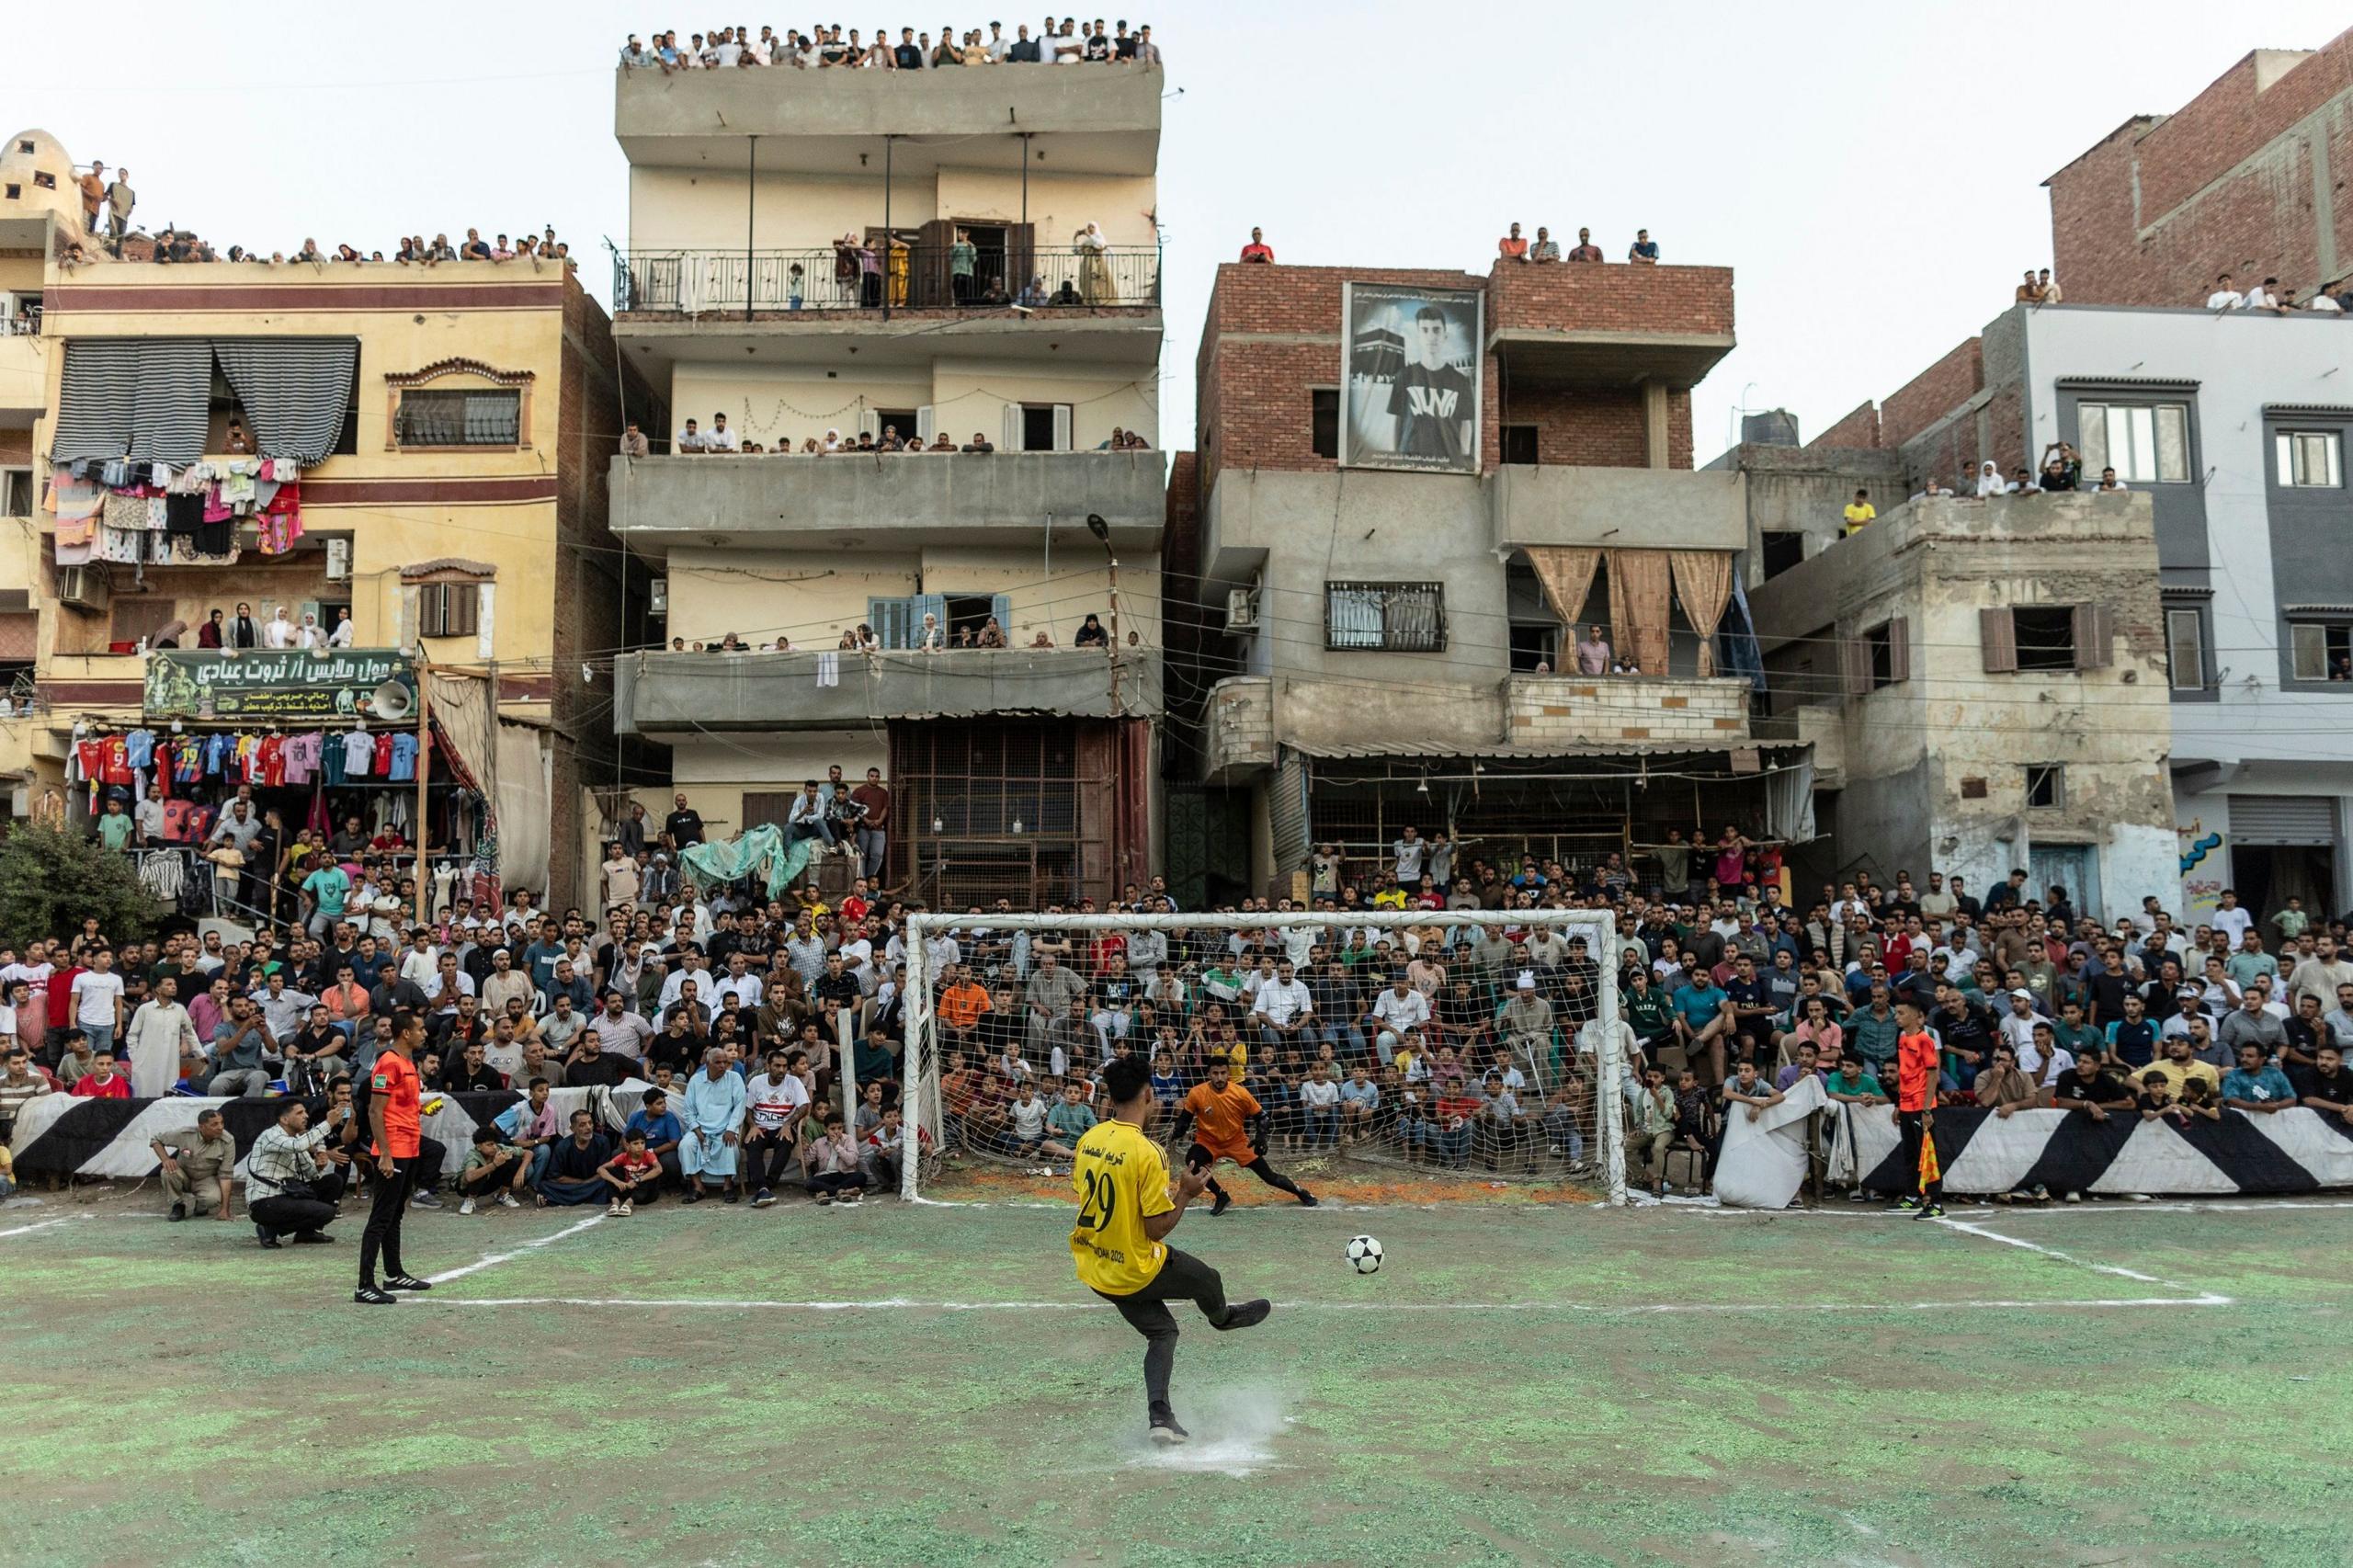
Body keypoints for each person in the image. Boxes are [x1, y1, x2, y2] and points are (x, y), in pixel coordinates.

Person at [1071, 1053, 1273, 1446]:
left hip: (1095, 1267)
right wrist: (1186, 1192)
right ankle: (1222, 1318)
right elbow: (1156, 1229)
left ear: (1111, 1097)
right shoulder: (1148, 1152)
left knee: (1163, 1332)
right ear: (1149, 1095)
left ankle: (1161, 1419)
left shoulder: (1088, 1140)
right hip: (1134, 1268)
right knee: (1208, 1280)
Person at [1169, 1058, 1317, 1212]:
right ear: (1208, 1074)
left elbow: (1262, 1117)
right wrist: (1177, 1131)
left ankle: (1300, 1192)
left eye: (1223, 1073)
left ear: (1228, 1074)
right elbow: (1185, 1119)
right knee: (1193, 1161)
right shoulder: (1196, 1093)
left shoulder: (1240, 1093)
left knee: (1269, 1177)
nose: (1219, 1077)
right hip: (1208, 1141)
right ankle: (1221, 1196)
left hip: (1237, 1141)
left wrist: (1261, 1137)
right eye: (1215, 1073)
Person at [356, 1010, 433, 1304]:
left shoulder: (407, 1062)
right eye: (420, 1029)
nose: (425, 1033)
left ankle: (394, 1273)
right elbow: (375, 1111)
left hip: (409, 1147)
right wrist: (385, 1155)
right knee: (381, 1216)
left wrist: (422, 1110)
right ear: (406, 1033)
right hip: (394, 1150)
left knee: (395, 1214)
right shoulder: (389, 1063)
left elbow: (397, 1106)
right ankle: (364, 1285)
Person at [245, 1097, 346, 1247]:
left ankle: (307, 1233)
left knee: (333, 1181)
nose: (306, 1116)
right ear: (284, 1119)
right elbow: (297, 1146)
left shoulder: (296, 1138)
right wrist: (329, 1123)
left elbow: (312, 1174)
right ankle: (270, 1229)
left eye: (305, 1112)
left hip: (287, 1195)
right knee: (328, 1212)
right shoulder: (271, 1135)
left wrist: (319, 1166)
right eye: (300, 1113)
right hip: (264, 1202)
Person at [1388, 303, 1473, 464]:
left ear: (1445, 336)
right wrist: (1394, 458)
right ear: (1418, 336)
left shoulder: (1460, 381)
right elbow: (1397, 420)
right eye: (1425, 330)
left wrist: (1464, 458)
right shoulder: (1403, 376)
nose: (1431, 337)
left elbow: (1466, 423)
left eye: (1436, 330)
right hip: (1410, 459)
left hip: (1448, 461)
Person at [1891, 997, 1943, 1218]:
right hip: (1906, 1104)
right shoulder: (1903, 1038)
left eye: (1901, 1013)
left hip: (1922, 1104)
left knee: (1928, 1153)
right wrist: (1899, 1103)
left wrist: (1927, 1109)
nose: (1897, 1017)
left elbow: (1932, 1076)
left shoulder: (1924, 1040)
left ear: (1915, 1016)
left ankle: (1936, 1203)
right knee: (1910, 1153)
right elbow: (1905, 1074)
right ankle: (1912, 1196)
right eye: (1896, 1013)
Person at [680, 1046, 745, 1202]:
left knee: (729, 1144)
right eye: (718, 1062)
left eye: (725, 1062)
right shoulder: (696, 1080)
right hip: (700, 1128)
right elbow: (688, 1110)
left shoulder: (734, 1078)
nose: (722, 1066)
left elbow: (740, 1106)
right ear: (707, 1064)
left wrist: (731, 1129)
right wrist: (697, 1131)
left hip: (725, 1128)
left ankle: (728, 1186)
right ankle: (698, 1187)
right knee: (685, 1145)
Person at [153, 1109, 236, 1222]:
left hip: (206, 1178)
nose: (220, 1127)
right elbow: (156, 1140)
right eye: (214, 1124)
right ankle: (178, 1205)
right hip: (183, 1174)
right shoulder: (185, 1134)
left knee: (213, 1199)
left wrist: (225, 1209)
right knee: (167, 1172)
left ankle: (201, 1203)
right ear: (201, 1127)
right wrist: (166, 1159)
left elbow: (226, 1175)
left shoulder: (228, 1141)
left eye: (222, 1123)